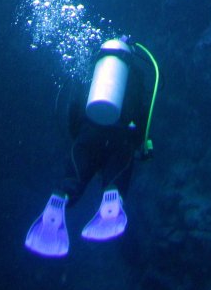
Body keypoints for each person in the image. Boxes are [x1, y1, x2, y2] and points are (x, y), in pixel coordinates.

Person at [25, 37, 159, 258]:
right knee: (117, 170)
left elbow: (73, 106)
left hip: (88, 132)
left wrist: (79, 136)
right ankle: (112, 198)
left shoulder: (92, 71)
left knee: (75, 173)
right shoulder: (136, 75)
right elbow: (144, 111)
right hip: (121, 135)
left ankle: (61, 195)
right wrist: (140, 142)